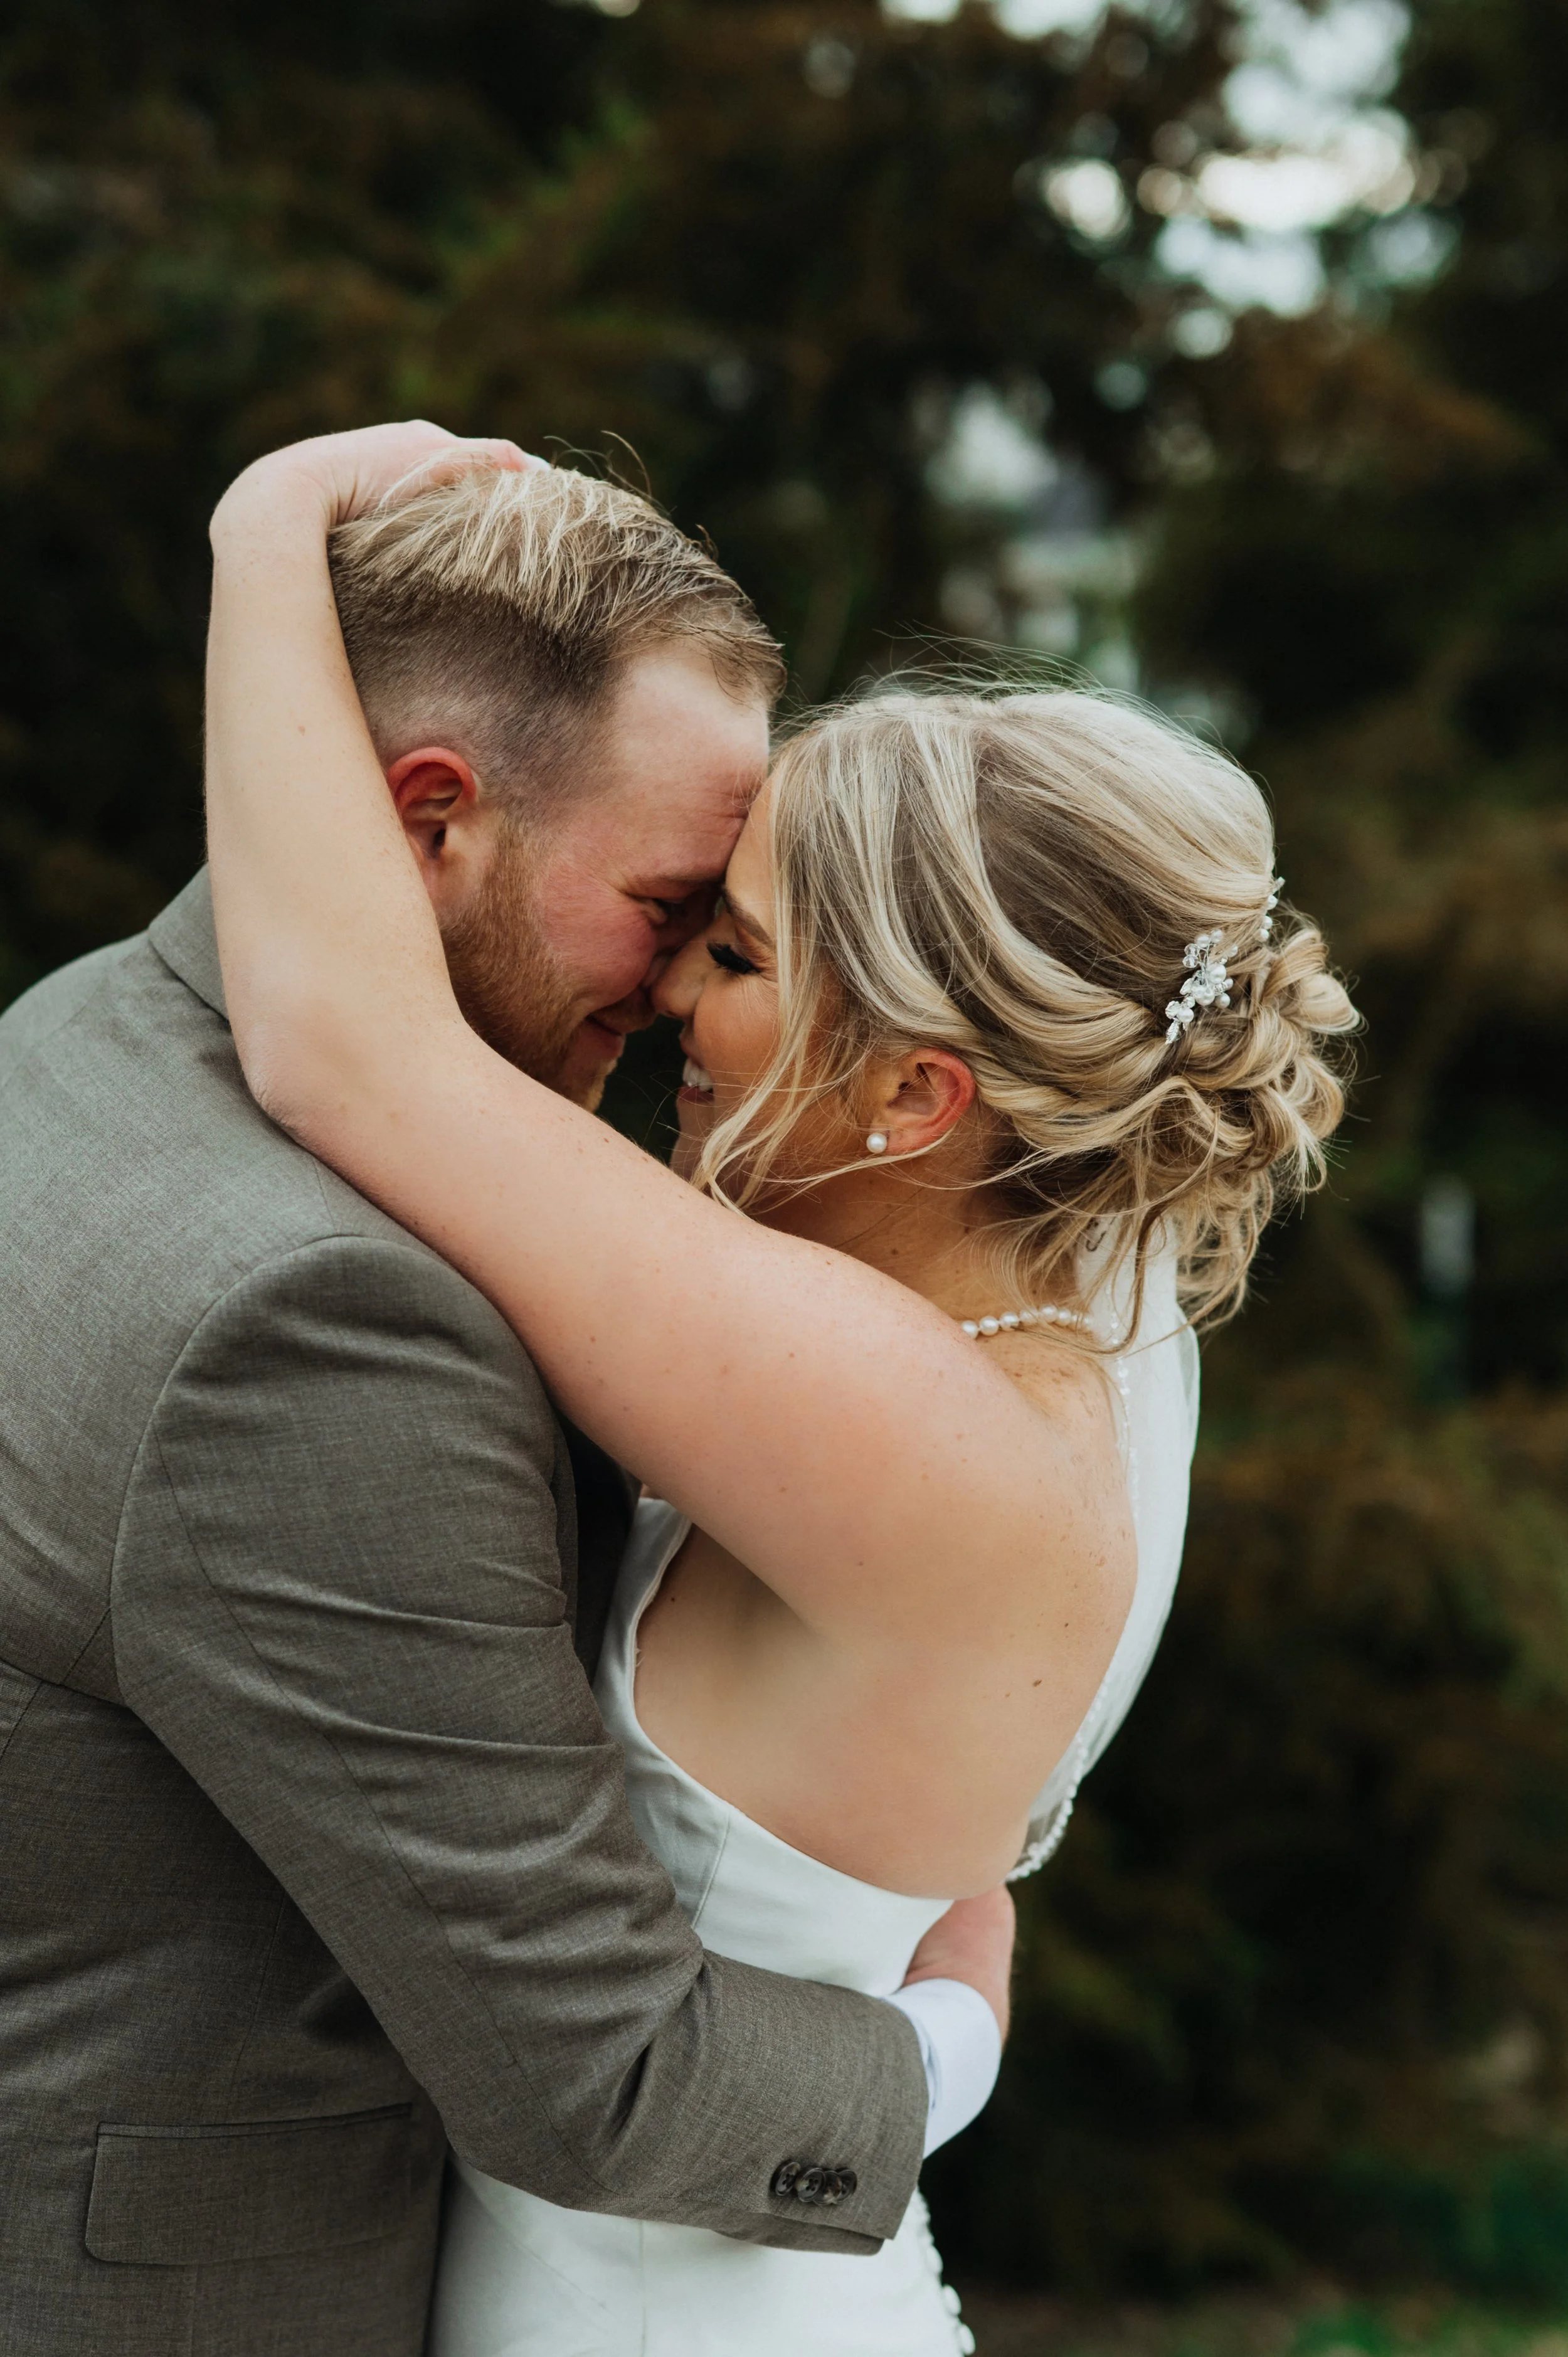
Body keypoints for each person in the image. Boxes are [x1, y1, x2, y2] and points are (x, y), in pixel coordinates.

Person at [201, 421, 1358, 2357]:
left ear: (915, 1092)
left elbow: (342, 1052)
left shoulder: (900, 1419)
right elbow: (958, 1898)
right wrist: (946, 2037)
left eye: (735, 953)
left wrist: (262, 531)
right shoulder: (1010, 1364)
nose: (670, 1002)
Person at [0, 436, 1013, 2357]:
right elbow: (601, 2073)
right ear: (431, 818)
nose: (701, 987)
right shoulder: (312, 1315)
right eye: (670, 903)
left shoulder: (87, 1027)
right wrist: (950, 2025)